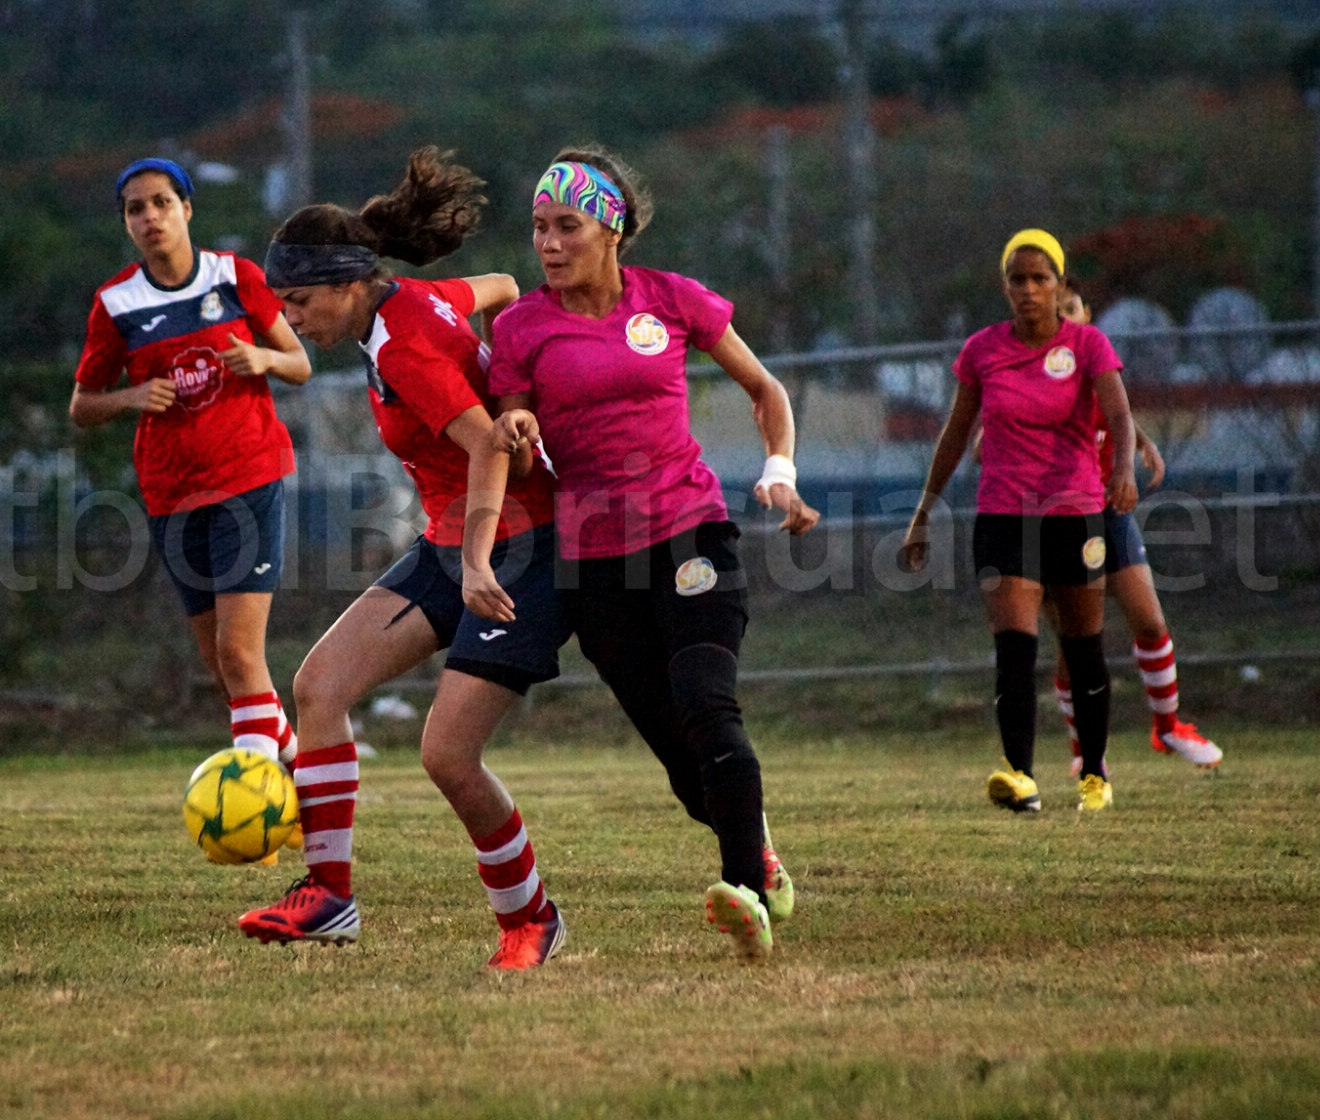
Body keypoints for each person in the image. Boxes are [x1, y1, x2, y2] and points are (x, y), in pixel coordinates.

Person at [235, 148, 572, 970]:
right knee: (319, 686)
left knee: (446, 755)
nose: (291, 318)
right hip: (454, 544)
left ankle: (532, 919)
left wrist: (511, 418)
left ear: (351, 284)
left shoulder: (403, 347)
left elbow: (492, 446)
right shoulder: (405, 307)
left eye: (301, 301)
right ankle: (328, 899)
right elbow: (497, 287)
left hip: (522, 551)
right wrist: (506, 369)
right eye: (283, 302)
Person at [480, 147, 819, 960]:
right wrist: (518, 434)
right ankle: (758, 847)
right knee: (683, 763)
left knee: (710, 709)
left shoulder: (670, 299)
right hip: (595, 564)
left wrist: (778, 471)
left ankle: (744, 892)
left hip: (689, 532)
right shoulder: (521, 327)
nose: (549, 244)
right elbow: (515, 444)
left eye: (568, 226)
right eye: (538, 228)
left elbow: (766, 390)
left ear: (613, 229)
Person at [70, 158, 311, 778]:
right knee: (224, 668)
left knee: (238, 652)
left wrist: (262, 357)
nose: (149, 216)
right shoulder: (116, 303)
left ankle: (252, 799)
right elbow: (81, 406)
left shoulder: (235, 277)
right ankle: (302, 767)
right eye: (135, 208)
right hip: (171, 495)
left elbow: (299, 362)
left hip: (247, 480)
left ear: (187, 209)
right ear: (126, 223)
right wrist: (127, 397)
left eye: (160, 203)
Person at [899, 228, 1136, 815]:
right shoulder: (983, 350)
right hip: (1004, 514)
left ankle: (1094, 776)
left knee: (1082, 648)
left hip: (1076, 512)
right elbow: (957, 432)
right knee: (1014, 647)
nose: (1029, 290)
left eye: (1040, 279)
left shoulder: (1087, 346)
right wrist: (924, 510)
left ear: (1060, 285)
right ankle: (1021, 775)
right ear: (1003, 286)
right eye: (1018, 279)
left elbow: (1120, 416)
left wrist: (1123, 472)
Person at [1047, 282, 1223, 773]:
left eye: (1071, 308)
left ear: (1087, 311)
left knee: (1149, 620)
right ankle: (1085, 754)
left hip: (1108, 510)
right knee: (1075, 641)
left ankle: (1168, 729)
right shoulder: (1037, 370)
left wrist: (1141, 443)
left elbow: (1115, 412)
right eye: (1056, 312)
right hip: (1060, 518)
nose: (1065, 318)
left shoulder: (1096, 357)